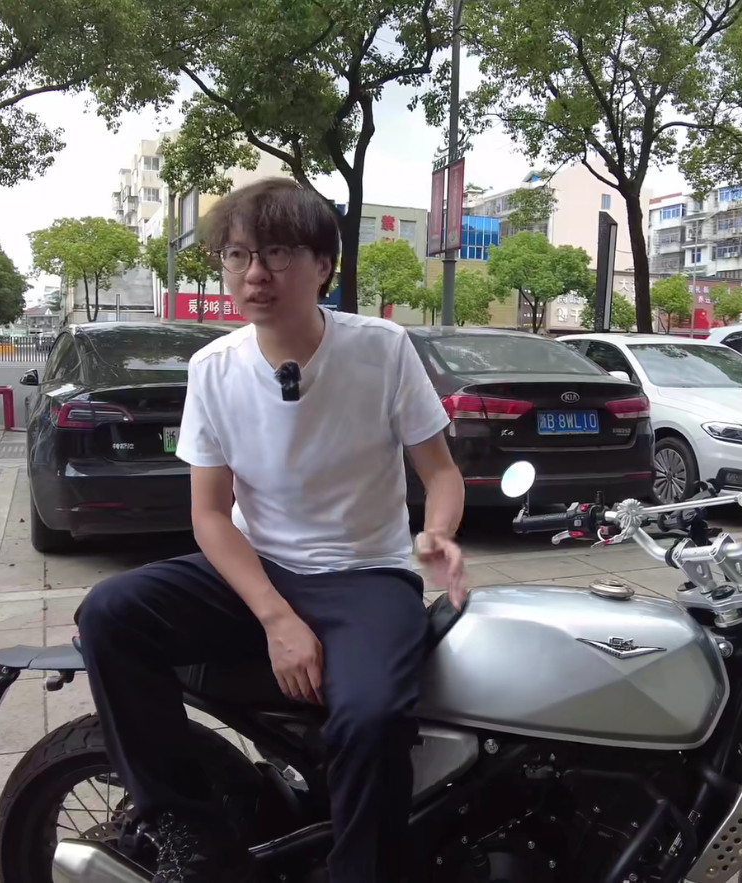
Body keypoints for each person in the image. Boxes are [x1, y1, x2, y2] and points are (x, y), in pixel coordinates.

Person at [75, 177, 467, 883]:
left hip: (366, 575)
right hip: (256, 569)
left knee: (372, 718)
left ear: (323, 265)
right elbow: (208, 514)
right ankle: (183, 827)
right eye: (237, 255)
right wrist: (276, 617)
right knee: (110, 612)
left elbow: (440, 472)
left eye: (277, 253)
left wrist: (437, 533)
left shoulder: (381, 348)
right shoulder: (214, 367)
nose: (254, 274)